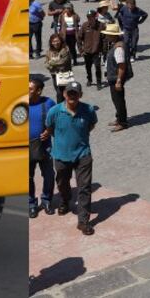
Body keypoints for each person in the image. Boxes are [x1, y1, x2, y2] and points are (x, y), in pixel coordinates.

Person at [42, 80, 99, 236]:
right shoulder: (54, 111)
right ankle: (65, 200)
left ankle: (83, 221)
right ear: (64, 94)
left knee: (84, 188)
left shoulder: (88, 110)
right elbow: (50, 129)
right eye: (69, 93)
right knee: (62, 182)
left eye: (76, 93)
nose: (72, 96)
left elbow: (91, 125)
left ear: (80, 95)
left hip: (83, 154)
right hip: (60, 155)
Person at [26, 77, 55, 218]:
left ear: (39, 91)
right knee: (27, 177)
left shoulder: (48, 103)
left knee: (49, 175)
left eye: (30, 89)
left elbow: (58, 121)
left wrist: (49, 131)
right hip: (25, 148)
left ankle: (47, 200)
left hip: (45, 147)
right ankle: (31, 203)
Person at [102, 22, 131, 131]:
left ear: (113, 35)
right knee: (116, 99)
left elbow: (121, 66)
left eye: (108, 34)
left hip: (116, 78)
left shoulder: (118, 48)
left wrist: (119, 80)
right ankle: (119, 118)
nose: (106, 36)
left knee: (119, 100)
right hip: (113, 77)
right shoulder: (115, 44)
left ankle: (123, 122)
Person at [78, 8, 104, 88]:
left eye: (92, 17)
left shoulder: (101, 25)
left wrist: (103, 50)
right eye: (88, 17)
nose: (90, 19)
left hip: (97, 51)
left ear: (95, 17)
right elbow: (79, 38)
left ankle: (99, 82)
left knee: (97, 67)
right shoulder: (85, 25)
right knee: (88, 67)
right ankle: (89, 79)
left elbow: (105, 38)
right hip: (87, 51)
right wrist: (81, 50)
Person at [43, 33, 73, 100]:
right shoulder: (49, 51)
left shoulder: (65, 50)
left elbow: (63, 62)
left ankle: (66, 107)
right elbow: (46, 63)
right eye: (53, 41)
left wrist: (51, 62)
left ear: (61, 41)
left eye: (57, 41)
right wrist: (51, 64)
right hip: (54, 75)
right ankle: (60, 107)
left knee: (65, 92)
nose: (56, 43)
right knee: (58, 92)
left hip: (64, 74)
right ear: (51, 42)